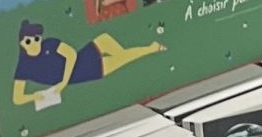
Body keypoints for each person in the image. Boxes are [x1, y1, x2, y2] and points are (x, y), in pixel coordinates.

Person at [13, 20, 163, 108]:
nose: (34, 43)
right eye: (28, 41)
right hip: (83, 72)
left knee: (105, 40)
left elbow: (71, 54)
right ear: (22, 44)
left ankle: (150, 48)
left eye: (36, 39)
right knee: (120, 59)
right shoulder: (24, 66)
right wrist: (35, 97)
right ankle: (151, 49)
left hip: (80, 60)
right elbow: (17, 98)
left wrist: (64, 82)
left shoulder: (49, 44)